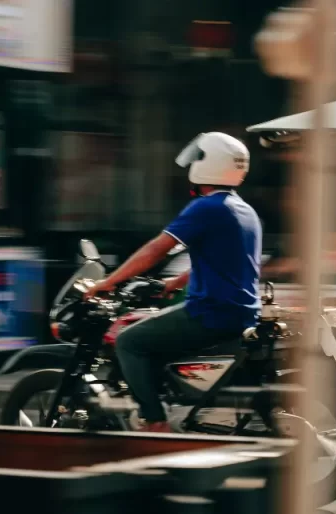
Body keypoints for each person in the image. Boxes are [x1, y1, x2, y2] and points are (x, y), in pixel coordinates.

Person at [83, 132, 262, 432]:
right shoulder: (244, 210)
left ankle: (154, 421)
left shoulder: (207, 207)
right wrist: (174, 283)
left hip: (211, 313)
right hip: (239, 311)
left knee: (129, 341)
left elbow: (157, 248)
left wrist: (108, 282)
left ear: (207, 165)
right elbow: (225, 262)